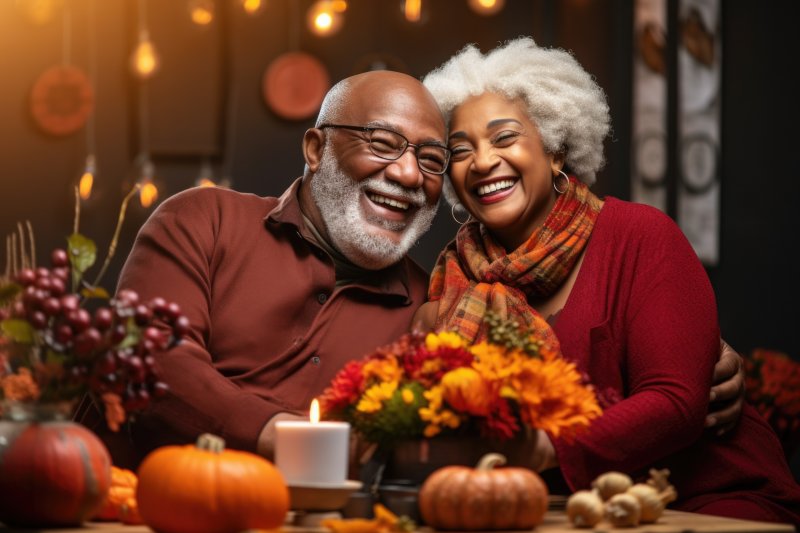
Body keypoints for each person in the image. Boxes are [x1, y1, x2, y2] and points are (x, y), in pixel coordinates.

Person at [80, 69, 742, 469]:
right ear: (315, 147)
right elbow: (150, 357)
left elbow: (507, 390)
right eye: (383, 143)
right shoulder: (205, 220)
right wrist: (278, 433)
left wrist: (690, 350)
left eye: (430, 159)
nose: (407, 174)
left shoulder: (437, 304)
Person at [415, 37, 800, 525]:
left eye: (504, 138)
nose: (483, 161)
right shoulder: (454, 279)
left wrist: (539, 446)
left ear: (555, 151)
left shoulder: (640, 236)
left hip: (707, 501)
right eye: (461, 150)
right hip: (565, 512)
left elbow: (676, 404)